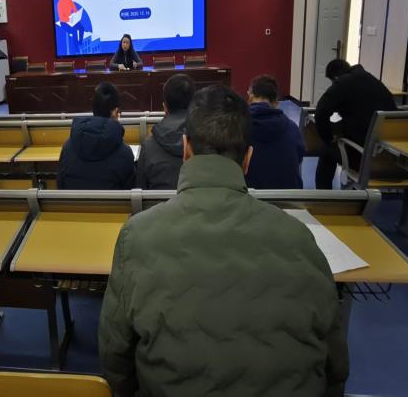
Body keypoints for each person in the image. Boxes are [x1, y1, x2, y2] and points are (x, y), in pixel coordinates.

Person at [99, 85, 348, 397]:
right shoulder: (300, 237)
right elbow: (335, 367)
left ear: (185, 150)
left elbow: (115, 361)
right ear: (247, 159)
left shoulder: (136, 236)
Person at [315, 59, 397, 189]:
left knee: (327, 151)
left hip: (363, 158)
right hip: (389, 157)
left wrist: (328, 138)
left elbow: (320, 113)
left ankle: (324, 197)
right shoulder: (372, 80)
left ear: (335, 77)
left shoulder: (342, 83)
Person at [57, 82, 135, 189]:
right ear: (115, 112)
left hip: (72, 201)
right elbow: (130, 191)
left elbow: (60, 185)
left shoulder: (67, 147)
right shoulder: (125, 153)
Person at [136, 73, 194, 189]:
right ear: (193, 105)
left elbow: (140, 189)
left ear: (165, 107)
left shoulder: (148, 145)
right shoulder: (209, 141)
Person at [246, 74, 304, 189]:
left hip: (249, 196)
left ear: (250, 97)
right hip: (289, 197)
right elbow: (299, 157)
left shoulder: (236, 128)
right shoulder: (292, 128)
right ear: (276, 103)